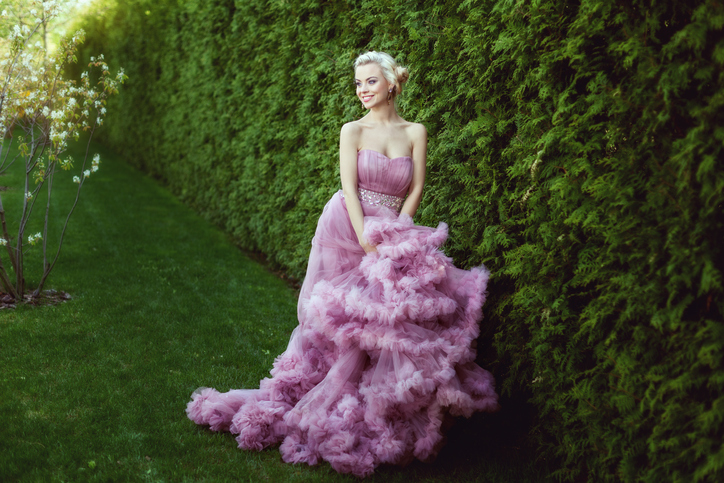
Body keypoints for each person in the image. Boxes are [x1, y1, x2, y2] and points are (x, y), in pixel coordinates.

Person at [186, 51, 499, 477]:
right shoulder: (351, 130)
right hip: (348, 228)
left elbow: (418, 185)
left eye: (370, 81)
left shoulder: (415, 131)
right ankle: (328, 387)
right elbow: (349, 190)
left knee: (391, 316)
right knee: (346, 316)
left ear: (391, 83)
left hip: (395, 228)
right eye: (358, 84)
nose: (362, 90)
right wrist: (368, 240)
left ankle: (378, 406)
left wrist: (398, 233)